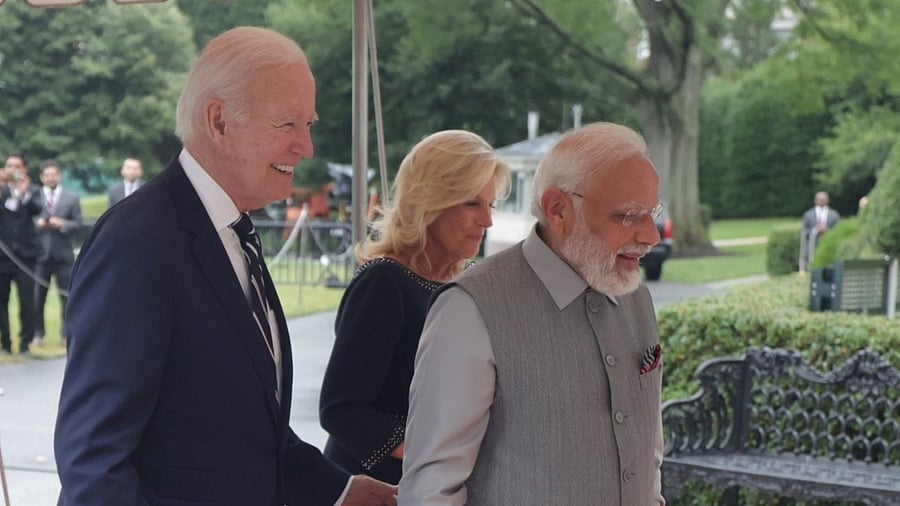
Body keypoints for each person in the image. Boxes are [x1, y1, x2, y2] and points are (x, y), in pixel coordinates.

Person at [55, 27, 396, 506]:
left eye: (309, 125)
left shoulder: (233, 232)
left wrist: (342, 491)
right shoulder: (138, 243)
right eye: (288, 125)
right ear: (219, 122)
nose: (307, 147)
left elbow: (247, 433)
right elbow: (94, 463)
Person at [399, 122, 666, 505]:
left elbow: (649, 458)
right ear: (558, 210)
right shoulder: (470, 308)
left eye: (653, 212)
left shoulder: (636, 296)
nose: (651, 236)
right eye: (628, 216)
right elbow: (430, 490)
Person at [319, 130, 510, 485]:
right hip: (377, 489)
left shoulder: (467, 284)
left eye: (490, 204)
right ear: (431, 201)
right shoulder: (384, 283)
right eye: (472, 203)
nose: (487, 221)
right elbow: (341, 409)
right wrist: (432, 452)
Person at [33, 159, 82, 349]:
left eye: (54, 174)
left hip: (63, 255)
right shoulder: (34, 196)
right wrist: (39, 223)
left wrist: (62, 224)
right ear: (42, 177)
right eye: (47, 175)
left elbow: (78, 224)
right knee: (38, 297)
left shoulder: (71, 198)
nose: (50, 178)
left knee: (68, 297)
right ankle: (38, 334)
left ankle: (66, 334)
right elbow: (27, 221)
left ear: (59, 176)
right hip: (40, 255)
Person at [0, 154, 42, 355]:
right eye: (8, 166)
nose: (12, 169)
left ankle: (25, 342)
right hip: (3, 257)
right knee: (1, 301)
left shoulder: (33, 191)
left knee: (27, 301)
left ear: (24, 169)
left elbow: (38, 209)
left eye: (17, 166)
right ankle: (5, 343)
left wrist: (23, 194)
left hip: (26, 256)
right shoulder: (1, 189)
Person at [800, 191, 840, 271]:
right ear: (815, 200)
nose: (822, 201)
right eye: (820, 199)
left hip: (829, 246)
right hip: (812, 247)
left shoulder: (834, 214)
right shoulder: (808, 214)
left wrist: (828, 231)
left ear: (827, 200)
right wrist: (815, 230)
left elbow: (839, 231)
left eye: (824, 199)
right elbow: (804, 232)